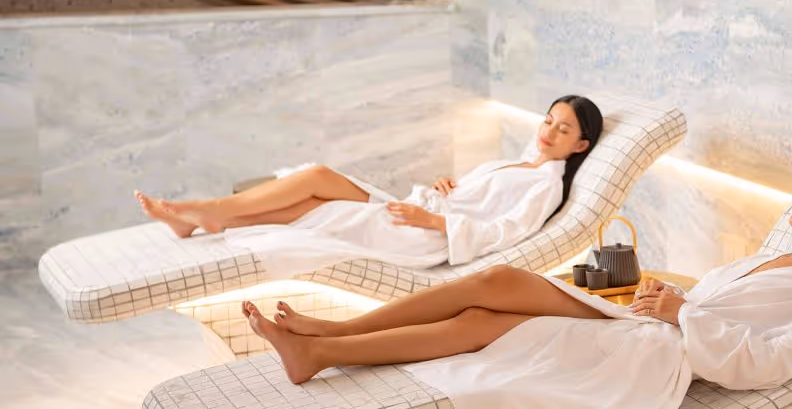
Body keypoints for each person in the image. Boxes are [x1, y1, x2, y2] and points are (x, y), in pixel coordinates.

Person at [242, 154, 792, 409]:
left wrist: (681, 315)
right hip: (643, 330)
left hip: (650, 361)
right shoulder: (764, 259)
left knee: (484, 313)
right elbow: (701, 303)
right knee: (491, 291)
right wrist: (665, 299)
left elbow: (771, 362)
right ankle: (327, 338)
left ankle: (324, 345)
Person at [133, 95, 603, 278]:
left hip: (423, 234)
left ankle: (206, 212)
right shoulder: (520, 162)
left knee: (318, 189)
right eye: (548, 120)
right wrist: (449, 187)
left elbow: (505, 232)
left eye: (563, 130)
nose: (548, 131)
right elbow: (480, 199)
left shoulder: (544, 185)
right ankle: (206, 216)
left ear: (580, 144)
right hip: (421, 214)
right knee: (317, 190)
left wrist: (435, 218)